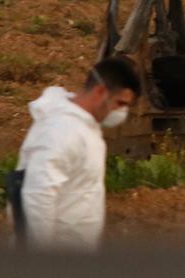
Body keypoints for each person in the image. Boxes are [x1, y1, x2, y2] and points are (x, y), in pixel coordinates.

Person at [9, 57, 141, 251]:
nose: (121, 112)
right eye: (120, 103)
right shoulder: (62, 130)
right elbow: (38, 195)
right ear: (101, 92)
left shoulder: (83, 127)